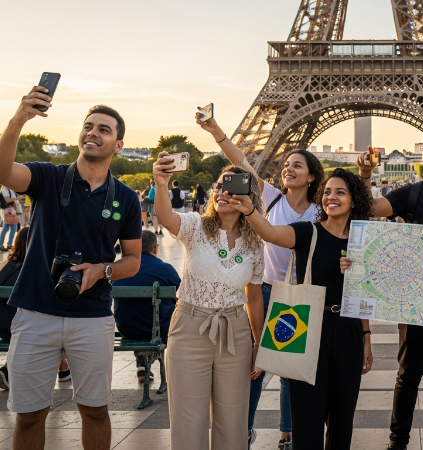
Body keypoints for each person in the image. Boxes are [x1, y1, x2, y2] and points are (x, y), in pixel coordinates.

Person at [0, 89, 143, 450]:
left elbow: (133, 260)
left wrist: (101, 271)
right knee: (30, 414)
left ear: (118, 144)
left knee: (95, 411)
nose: (93, 133)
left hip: (92, 317)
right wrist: (19, 118)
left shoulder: (125, 197)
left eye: (104, 130)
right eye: (88, 126)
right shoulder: (48, 177)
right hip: (36, 311)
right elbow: (3, 172)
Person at [197, 112, 323, 450]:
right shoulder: (271, 198)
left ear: (311, 176)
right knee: (254, 365)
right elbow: (240, 161)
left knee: (288, 367)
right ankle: (244, 429)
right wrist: (215, 130)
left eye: (298, 165)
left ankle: (287, 432)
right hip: (264, 290)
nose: (288, 169)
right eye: (286, 165)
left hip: (296, 296)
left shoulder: (320, 211)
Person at [232, 168, 373, 449]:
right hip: (308, 325)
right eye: (328, 192)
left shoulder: (365, 241)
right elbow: (271, 233)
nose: (332, 197)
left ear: (354, 201)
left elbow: (367, 293)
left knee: (342, 420)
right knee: (306, 419)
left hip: (348, 331)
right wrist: (250, 212)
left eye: (340, 192)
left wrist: (366, 336)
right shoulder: (308, 232)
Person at [355, 128, 423, 450]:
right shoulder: (412, 194)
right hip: (418, 301)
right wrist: (364, 174)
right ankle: (397, 441)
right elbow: (367, 210)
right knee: (408, 373)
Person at [153, 158, 265, 450]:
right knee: (188, 420)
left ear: (250, 198)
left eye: (233, 189)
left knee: (233, 419)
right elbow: (165, 217)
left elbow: (253, 296)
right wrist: (161, 184)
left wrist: (258, 343)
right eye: (220, 187)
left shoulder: (255, 244)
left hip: (236, 330)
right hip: (190, 325)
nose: (223, 193)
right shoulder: (195, 226)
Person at [112, 230, 181, 381]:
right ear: (155, 248)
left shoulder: (119, 269)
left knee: (137, 310)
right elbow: (182, 293)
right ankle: (177, 369)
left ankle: (142, 364)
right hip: (160, 329)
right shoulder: (165, 268)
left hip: (127, 329)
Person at [0, 226, 29, 389]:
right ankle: (63, 369)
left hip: (2, 327)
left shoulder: (4, 264)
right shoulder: (35, 269)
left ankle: (7, 370)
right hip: (20, 329)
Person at [1, 186, 23, 250]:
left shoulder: (9, 189)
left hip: (10, 210)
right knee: (8, 227)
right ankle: (4, 244)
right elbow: (7, 200)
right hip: (8, 210)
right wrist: (17, 198)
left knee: (11, 227)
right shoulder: (5, 189)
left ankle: (8, 244)